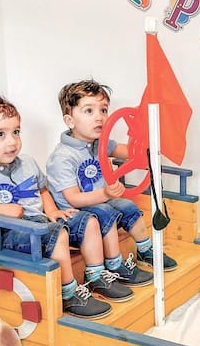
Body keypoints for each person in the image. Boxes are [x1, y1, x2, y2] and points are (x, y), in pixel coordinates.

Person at [0, 90, 135, 320]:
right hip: (0, 237)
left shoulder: (26, 163)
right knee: (56, 234)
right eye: (0, 135)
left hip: (38, 222)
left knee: (88, 221)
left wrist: (52, 210)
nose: (12, 141)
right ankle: (68, 293)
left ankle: (96, 276)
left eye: (16, 132)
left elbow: (42, 188)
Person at [46, 79, 177, 285]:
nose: (99, 117)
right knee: (106, 211)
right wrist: (105, 194)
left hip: (101, 201)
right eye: (89, 111)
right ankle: (114, 265)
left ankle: (145, 250)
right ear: (70, 121)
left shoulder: (100, 143)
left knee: (127, 205)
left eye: (104, 110)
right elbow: (73, 199)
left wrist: (146, 148)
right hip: (75, 214)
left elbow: (128, 152)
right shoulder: (62, 157)